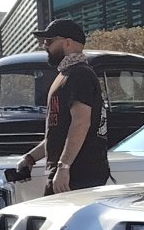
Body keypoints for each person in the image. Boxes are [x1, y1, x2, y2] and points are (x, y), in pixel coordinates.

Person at [14, 19, 110, 195]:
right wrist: (30, 158)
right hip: (66, 174)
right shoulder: (66, 74)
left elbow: (81, 123)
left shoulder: (79, 74)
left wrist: (64, 166)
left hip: (78, 175)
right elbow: (58, 131)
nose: (44, 45)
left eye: (49, 41)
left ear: (67, 42)